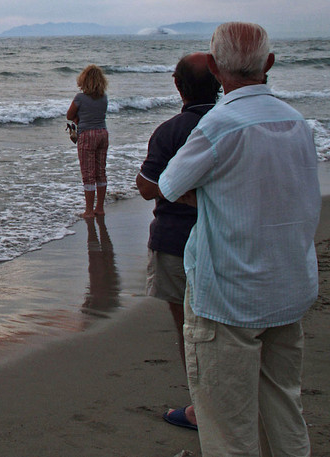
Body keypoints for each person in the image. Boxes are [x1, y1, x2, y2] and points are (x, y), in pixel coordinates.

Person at [149, 23, 321, 457]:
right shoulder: (297, 122)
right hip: (289, 286)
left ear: (213, 66)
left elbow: (168, 186)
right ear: (268, 64)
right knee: (283, 404)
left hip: (228, 294)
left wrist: (212, 192)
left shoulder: (218, 126)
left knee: (228, 423)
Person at [135, 52, 220, 431]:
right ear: (218, 81)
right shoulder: (230, 123)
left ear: (177, 85)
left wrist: (178, 186)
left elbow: (147, 188)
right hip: (229, 239)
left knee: (188, 327)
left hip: (175, 240)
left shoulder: (171, 130)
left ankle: (202, 408)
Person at [66, 64, 109, 219]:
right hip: (103, 133)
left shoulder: (80, 98)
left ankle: (89, 210)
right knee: (100, 172)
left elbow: (69, 115)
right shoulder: (104, 97)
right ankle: (100, 208)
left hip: (87, 135)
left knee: (88, 174)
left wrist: (78, 119)